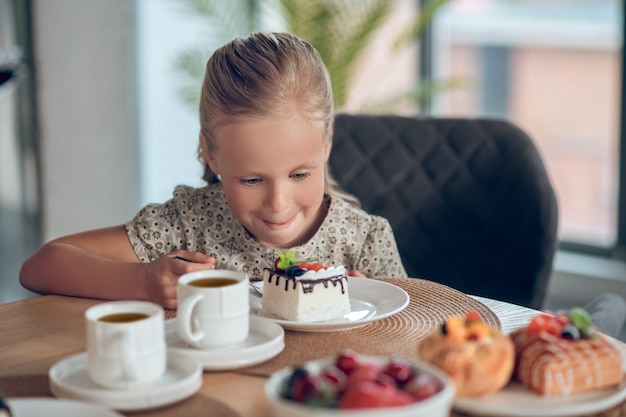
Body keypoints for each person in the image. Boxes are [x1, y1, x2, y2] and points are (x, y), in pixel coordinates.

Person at [19, 32, 408, 309]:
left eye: (299, 175)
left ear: (326, 143)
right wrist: (142, 282)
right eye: (252, 180)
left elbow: (415, 332)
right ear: (212, 154)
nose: (278, 203)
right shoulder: (187, 225)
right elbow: (41, 266)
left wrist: (373, 309)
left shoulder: (365, 242)